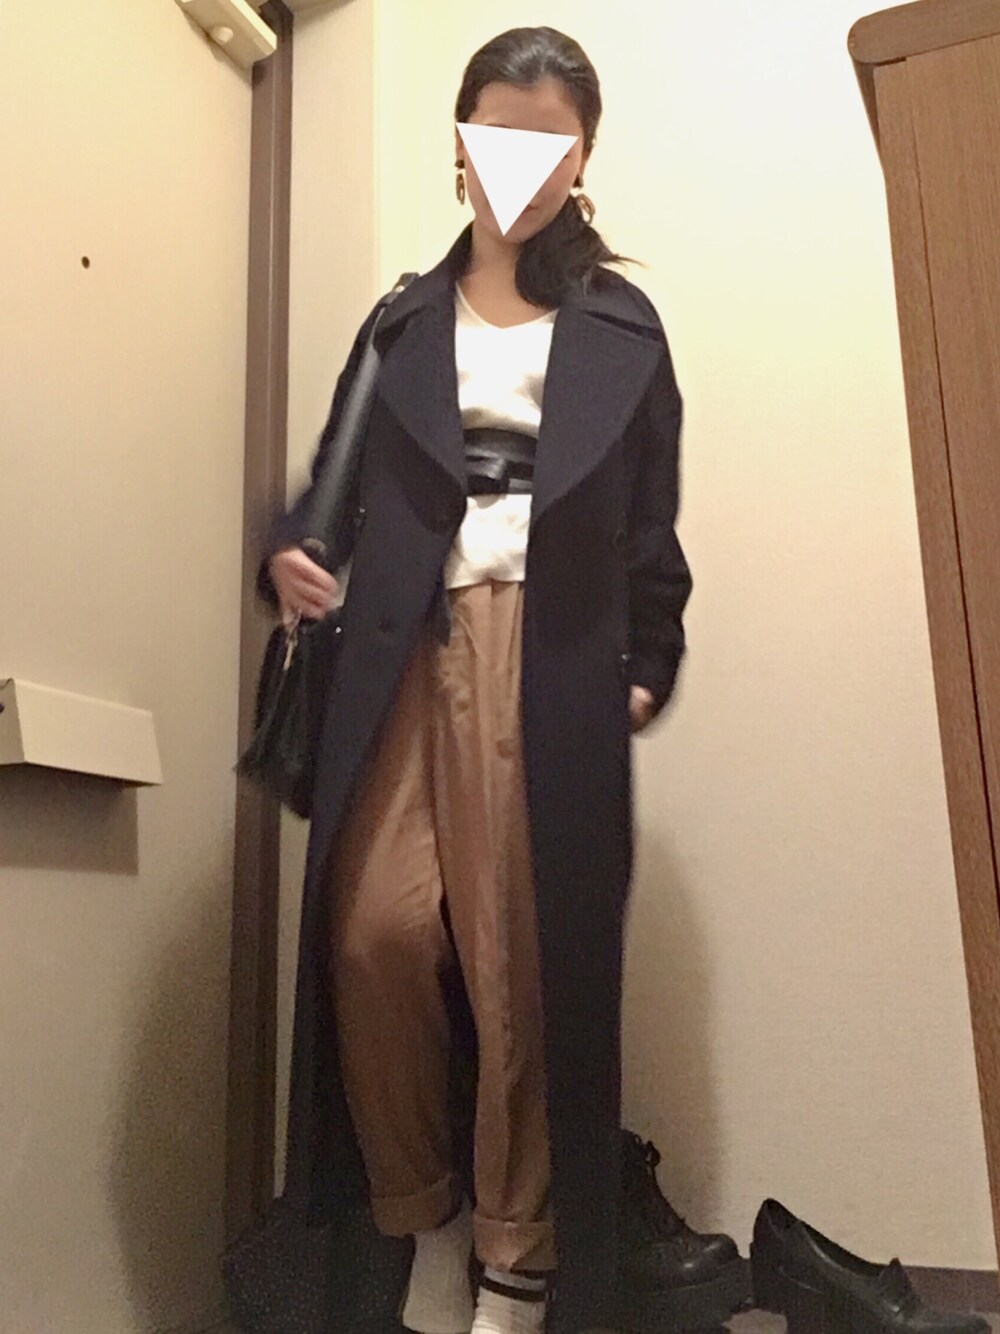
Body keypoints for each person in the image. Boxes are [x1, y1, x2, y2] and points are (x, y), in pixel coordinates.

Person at [259, 25, 694, 1334]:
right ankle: (422, 1208)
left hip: (543, 648)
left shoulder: (621, 326)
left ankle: (515, 1254)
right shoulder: (402, 316)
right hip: (400, 644)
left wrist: (647, 659)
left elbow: (651, 525)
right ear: (460, 145)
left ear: (582, 161)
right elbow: (333, 482)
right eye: (498, 130)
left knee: (519, 964)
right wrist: (294, 554)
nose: (520, 159)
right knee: (373, 932)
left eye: (550, 138)